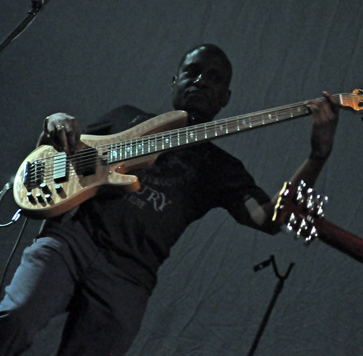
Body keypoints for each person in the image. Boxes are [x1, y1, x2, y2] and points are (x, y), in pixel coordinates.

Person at [0, 43, 340, 355]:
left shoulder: (222, 167)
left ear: (225, 98)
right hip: (70, 242)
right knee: (13, 318)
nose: (201, 81)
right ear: (175, 81)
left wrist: (317, 157)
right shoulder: (127, 117)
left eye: (214, 78)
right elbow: (65, 151)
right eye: (192, 71)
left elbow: (269, 219)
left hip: (129, 277)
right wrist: (56, 124)